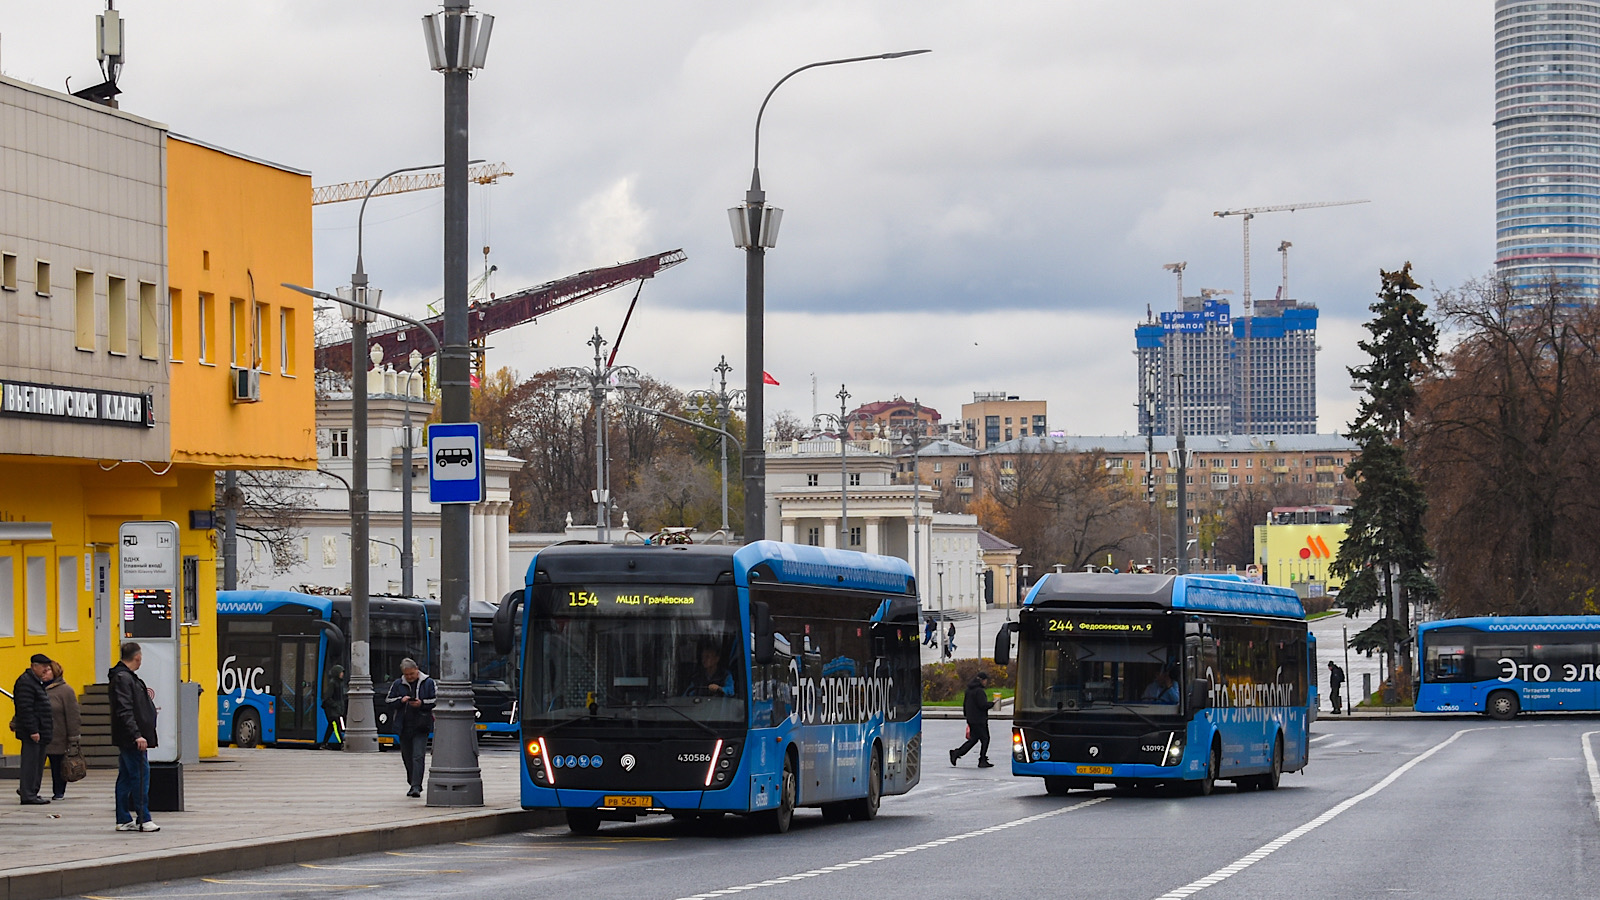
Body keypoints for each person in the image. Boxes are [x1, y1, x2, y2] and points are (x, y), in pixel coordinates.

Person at [108, 642, 159, 831]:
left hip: (127, 736)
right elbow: (125, 709)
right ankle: (144, 818)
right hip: (132, 738)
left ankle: (123, 818)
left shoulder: (123, 677)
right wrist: (137, 734)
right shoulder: (124, 678)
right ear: (137, 657)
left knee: (127, 777)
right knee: (140, 776)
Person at [386, 658, 436, 797]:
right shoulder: (398, 684)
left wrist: (422, 703)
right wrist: (401, 701)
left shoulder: (429, 682)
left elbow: (436, 700)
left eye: (411, 674)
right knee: (407, 757)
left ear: (417, 670)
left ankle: (416, 786)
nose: (409, 677)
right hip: (403, 726)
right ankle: (412, 781)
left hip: (421, 725)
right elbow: (388, 701)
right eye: (406, 675)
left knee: (418, 756)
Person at [12, 653, 54, 805]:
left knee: (37, 763)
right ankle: (28, 793)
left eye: (47, 667)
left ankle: (32, 792)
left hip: (41, 730)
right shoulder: (26, 683)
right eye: (43, 667)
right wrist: (33, 730)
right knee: (30, 764)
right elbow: (25, 709)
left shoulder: (35, 682)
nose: (46, 670)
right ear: (34, 666)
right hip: (33, 732)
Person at [45, 659, 82, 801]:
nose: (44, 673)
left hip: (58, 735)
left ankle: (59, 791)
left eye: (47, 670)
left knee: (57, 765)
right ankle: (29, 789)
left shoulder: (65, 690)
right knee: (33, 766)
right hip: (39, 734)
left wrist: (73, 735)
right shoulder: (36, 688)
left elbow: (73, 714)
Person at [949, 672, 996, 768]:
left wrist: (967, 717)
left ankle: (956, 753)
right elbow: (982, 705)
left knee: (974, 739)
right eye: (985, 680)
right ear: (982, 680)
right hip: (979, 720)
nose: (986, 682)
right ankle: (982, 759)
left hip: (972, 719)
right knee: (985, 739)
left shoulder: (969, 690)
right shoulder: (979, 691)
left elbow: (965, 705)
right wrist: (992, 703)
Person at [320, 665, 346, 750]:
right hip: (332, 710)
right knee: (336, 726)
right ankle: (342, 743)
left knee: (331, 727)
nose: (342, 674)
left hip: (336, 709)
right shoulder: (333, 683)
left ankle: (324, 743)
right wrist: (335, 705)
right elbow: (328, 697)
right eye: (341, 672)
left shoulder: (340, 683)